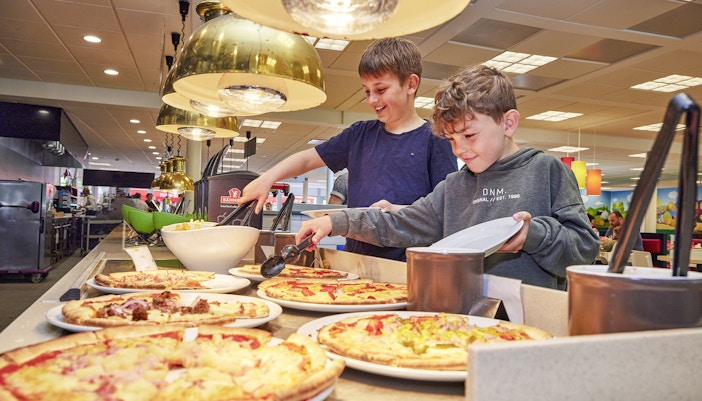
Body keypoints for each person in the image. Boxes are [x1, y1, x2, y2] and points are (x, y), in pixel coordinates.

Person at [296, 65, 599, 290]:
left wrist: (534, 235)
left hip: (532, 322)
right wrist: (334, 222)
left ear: (508, 123)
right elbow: (398, 223)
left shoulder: (546, 171)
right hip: (461, 315)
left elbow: (584, 251)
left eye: (469, 134)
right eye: (452, 139)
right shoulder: (454, 186)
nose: (461, 149)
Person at [239, 37, 457, 261]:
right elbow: (307, 160)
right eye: (366, 91)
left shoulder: (436, 139)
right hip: (357, 260)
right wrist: (268, 178)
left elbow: (443, 211)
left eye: (381, 90)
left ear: (411, 84)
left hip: (408, 264)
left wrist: (396, 209)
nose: (372, 100)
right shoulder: (359, 134)